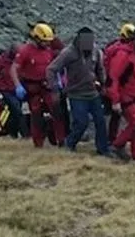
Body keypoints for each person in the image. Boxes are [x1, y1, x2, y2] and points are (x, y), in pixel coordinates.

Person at [46, 27, 113, 157]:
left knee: (100, 121)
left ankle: (103, 149)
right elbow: (51, 69)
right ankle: (69, 143)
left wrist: (104, 85)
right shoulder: (68, 53)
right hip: (76, 94)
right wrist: (54, 89)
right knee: (81, 122)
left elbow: (100, 69)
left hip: (93, 93)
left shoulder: (96, 51)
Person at [11, 23, 65, 148]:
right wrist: (18, 85)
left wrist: (58, 80)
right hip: (33, 87)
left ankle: (61, 139)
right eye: (44, 41)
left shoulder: (48, 51)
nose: (47, 44)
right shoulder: (25, 51)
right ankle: (38, 143)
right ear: (36, 38)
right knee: (36, 115)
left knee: (57, 111)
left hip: (47, 86)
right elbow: (14, 68)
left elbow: (53, 66)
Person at [108, 27, 135, 162]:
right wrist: (115, 100)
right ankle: (117, 145)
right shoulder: (123, 55)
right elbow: (113, 78)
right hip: (126, 97)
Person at [0, 44, 27, 138]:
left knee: (14, 112)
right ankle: (25, 133)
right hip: (6, 90)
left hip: (18, 90)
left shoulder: (19, 60)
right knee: (17, 109)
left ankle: (13, 133)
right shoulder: (1, 61)